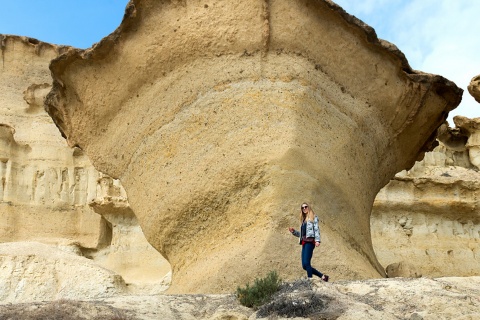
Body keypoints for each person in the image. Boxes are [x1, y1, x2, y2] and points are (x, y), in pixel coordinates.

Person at [288, 202, 329, 282]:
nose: (304, 209)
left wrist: (317, 240)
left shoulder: (313, 217)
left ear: (309, 207)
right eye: (302, 208)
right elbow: (302, 235)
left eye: (305, 207)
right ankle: (323, 277)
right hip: (304, 242)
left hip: (310, 243)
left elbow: (316, 230)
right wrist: (294, 232)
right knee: (304, 266)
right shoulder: (303, 221)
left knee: (307, 263)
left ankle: (310, 280)